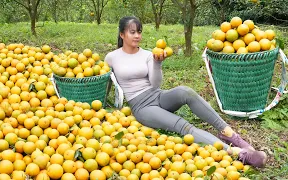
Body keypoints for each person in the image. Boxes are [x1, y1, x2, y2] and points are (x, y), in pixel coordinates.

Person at [105, 16, 267, 168]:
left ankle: (229, 134)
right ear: (122, 34)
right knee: (183, 126)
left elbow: (155, 85)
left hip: (157, 95)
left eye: (139, 32)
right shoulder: (112, 57)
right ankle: (237, 153)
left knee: (185, 91)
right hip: (142, 107)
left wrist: (157, 63)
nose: (137, 36)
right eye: (132, 32)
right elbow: (105, 83)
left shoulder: (148, 54)